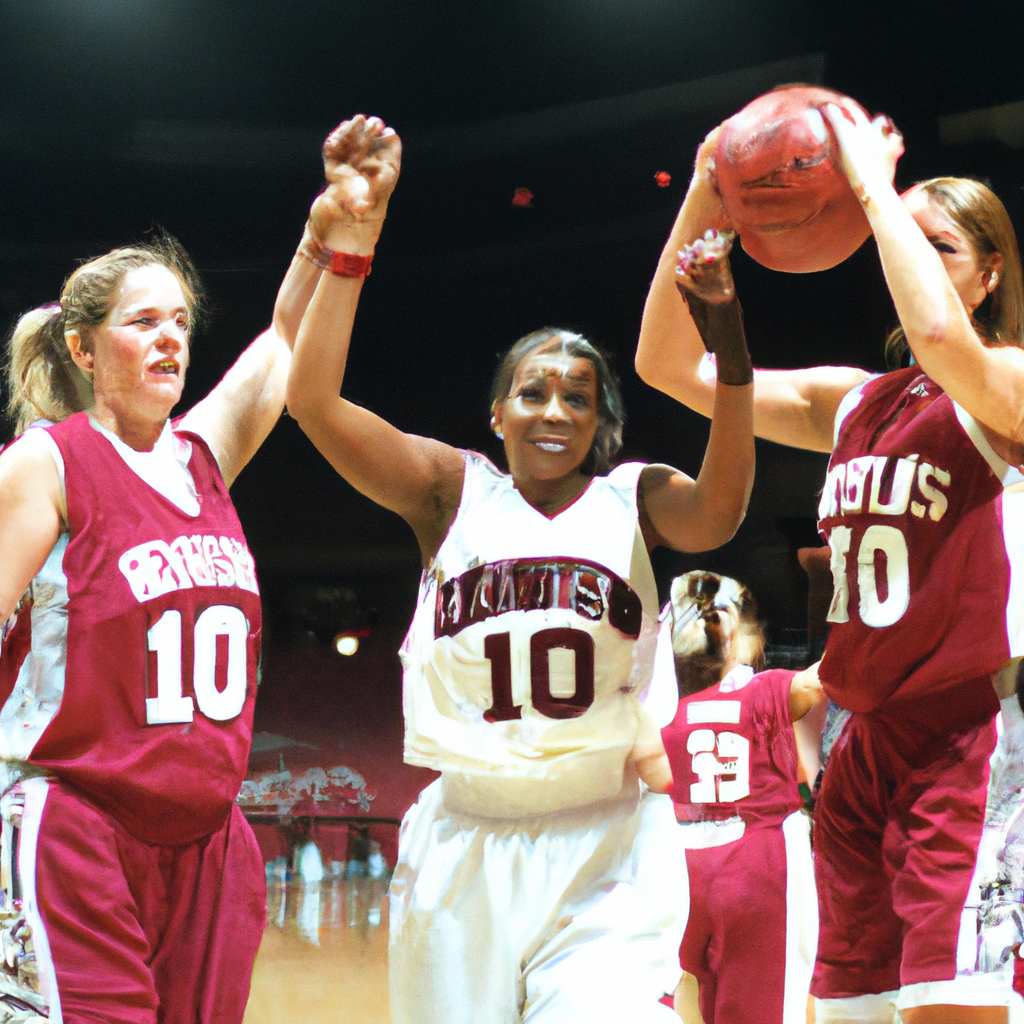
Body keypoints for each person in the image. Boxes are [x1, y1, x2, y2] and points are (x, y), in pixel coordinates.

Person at [285, 119, 757, 1024]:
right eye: (533, 391)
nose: (555, 410)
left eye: (578, 398)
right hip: (467, 839)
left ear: (600, 425)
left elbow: (722, 511)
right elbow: (311, 401)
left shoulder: (633, 498)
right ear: (497, 412)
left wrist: (729, 353)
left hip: (609, 836)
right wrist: (349, 248)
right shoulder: (446, 493)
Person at [636, 97, 1024, 1024]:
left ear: (991, 275)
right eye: (907, 238)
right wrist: (703, 191)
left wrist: (875, 190)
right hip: (859, 741)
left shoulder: (1009, 384)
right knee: (846, 1012)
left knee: (950, 1009)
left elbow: (941, 340)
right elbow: (666, 365)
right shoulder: (853, 403)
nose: (915, 255)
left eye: (944, 249)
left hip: (968, 737)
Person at [0, 115, 389, 1024]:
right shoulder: (45, 465)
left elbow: (283, 344)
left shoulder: (202, 458)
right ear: (84, 349)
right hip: (76, 825)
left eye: (180, 321)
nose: (170, 339)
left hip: (209, 846)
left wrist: (333, 231)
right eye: (142, 323)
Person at [652, 570, 822, 1024]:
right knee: (774, 1003)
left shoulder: (651, 710)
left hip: (676, 871)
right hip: (757, 866)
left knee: (686, 993)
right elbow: (839, 672)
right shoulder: (769, 691)